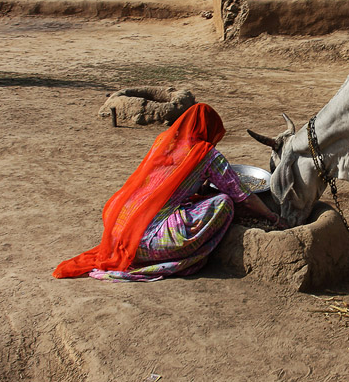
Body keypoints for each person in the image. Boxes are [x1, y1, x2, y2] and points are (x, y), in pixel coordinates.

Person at [53, 103, 283, 282]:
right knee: (224, 202)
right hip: (145, 242)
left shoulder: (164, 142)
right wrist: (271, 217)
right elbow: (242, 195)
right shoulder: (206, 154)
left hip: (117, 231)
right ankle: (187, 255)